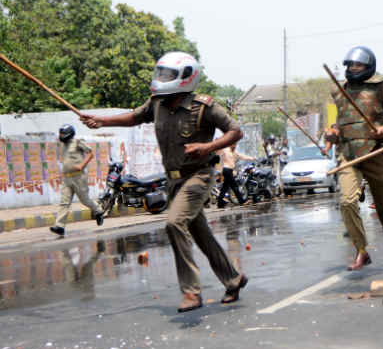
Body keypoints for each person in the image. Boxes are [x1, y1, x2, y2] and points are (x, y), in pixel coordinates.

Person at [80, 51, 248, 312]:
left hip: (199, 176)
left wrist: (208, 147)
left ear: (186, 77)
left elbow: (235, 131)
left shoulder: (203, 106)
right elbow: (134, 117)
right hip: (173, 181)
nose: (162, 79)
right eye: (161, 73)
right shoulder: (157, 103)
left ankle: (191, 292)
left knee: (174, 223)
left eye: (168, 75)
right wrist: (101, 121)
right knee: (201, 234)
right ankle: (233, 279)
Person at [331, 46, 383, 270]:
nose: (354, 68)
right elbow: (340, 122)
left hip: (375, 151)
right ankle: (361, 250)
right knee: (347, 201)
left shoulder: (380, 86)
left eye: (359, 65)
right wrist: (332, 133)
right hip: (348, 154)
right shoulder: (340, 91)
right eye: (351, 65)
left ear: (368, 66)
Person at [49, 124, 104, 236]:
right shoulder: (63, 145)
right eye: (60, 133)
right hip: (67, 178)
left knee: (84, 200)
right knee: (64, 202)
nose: (61, 136)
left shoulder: (78, 142)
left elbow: (90, 153)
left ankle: (98, 210)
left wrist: (81, 165)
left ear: (69, 134)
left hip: (79, 177)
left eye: (63, 134)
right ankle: (59, 226)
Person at [217, 143, 255, 208]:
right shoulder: (225, 150)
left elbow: (242, 156)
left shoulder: (235, 153)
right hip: (226, 170)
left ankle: (220, 203)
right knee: (234, 186)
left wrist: (252, 158)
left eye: (235, 145)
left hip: (229, 171)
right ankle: (242, 201)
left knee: (225, 187)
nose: (234, 146)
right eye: (233, 145)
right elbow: (219, 152)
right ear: (230, 145)